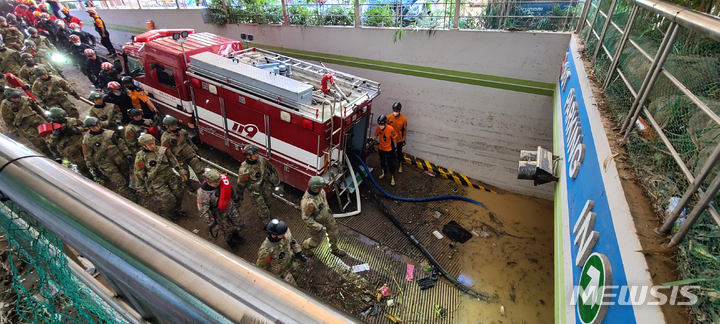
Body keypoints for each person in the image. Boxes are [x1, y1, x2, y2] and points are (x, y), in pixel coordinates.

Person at [134, 133, 188, 221]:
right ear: (144, 146)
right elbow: (138, 172)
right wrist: (141, 187)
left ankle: (177, 209)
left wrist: (181, 171)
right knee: (168, 198)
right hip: (156, 180)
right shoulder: (140, 157)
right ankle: (170, 212)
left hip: (169, 175)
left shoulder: (163, 150)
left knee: (179, 193)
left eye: (153, 143)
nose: (153, 145)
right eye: (150, 144)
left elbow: (173, 160)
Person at [82, 116, 134, 197]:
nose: (96, 128)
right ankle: (127, 196)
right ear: (89, 128)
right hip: (105, 163)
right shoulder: (87, 140)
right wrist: (92, 167)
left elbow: (120, 144)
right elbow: (87, 154)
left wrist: (127, 154)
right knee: (118, 180)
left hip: (118, 159)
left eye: (97, 125)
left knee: (125, 174)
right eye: (93, 127)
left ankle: (128, 188)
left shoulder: (110, 133)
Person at [196, 168, 246, 251]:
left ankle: (236, 235)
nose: (218, 184)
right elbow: (203, 211)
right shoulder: (203, 194)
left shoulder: (220, 182)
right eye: (215, 183)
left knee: (240, 223)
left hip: (229, 206)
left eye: (218, 182)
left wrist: (235, 198)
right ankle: (229, 241)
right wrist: (212, 224)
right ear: (209, 181)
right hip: (218, 213)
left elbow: (228, 189)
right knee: (227, 229)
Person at [300, 176, 346, 257]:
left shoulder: (321, 192)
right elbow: (306, 219)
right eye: (320, 187)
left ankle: (335, 250)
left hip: (327, 217)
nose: (322, 189)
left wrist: (327, 214)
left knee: (334, 233)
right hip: (316, 224)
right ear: (315, 189)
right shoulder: (307, 203)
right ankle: (305, 247)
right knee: (315, 242)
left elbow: (325, 203)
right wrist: (319, 227)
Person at [0, 87, 53, 156]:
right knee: (38, 142)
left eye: (18, 97)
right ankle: (50, 155)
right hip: (25, 126)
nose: (17, 99)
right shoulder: (5, 106)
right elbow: (7, 119)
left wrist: (46, 116)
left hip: (36, 120)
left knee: (50, 135)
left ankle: (58, 151)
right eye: (15, 98)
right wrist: (12, 130)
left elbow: (37, 108)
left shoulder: (26, 100)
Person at [43, 107, 92, 177]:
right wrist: (54, 136)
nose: (61, 120)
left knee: (92, 158)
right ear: (54, 119)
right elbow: (51, 144)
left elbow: (85, 126)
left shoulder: (72, 121)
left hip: (81, 143)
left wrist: (76, 129)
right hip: (70, 150)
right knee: (82, 165)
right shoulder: (50, 129)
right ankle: (89, 178)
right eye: (58, 119)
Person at [236, 144, 280, 223]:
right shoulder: (244, 170)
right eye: (254, 154)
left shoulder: (261, 160)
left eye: (257, 153)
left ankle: (264, 214)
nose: (257, 155)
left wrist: (273, 179)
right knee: (264, 210)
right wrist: (239, 196)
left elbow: (267, 168)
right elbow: (240, 184)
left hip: (265, 186)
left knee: (269, 203)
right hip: (255, 192)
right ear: (248, 156)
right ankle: (268, 224)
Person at [256, 219, 307, 286]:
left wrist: (298, 252)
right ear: (273, 235)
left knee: (296, 272)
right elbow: (262, 267)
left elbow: (292, 241)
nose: (285, 234)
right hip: (281, 273)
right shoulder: (266, 251)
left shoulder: (284, 232)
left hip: (290, 262)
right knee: (291, 288)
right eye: (282, 234)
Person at [373, 115, 397, 186]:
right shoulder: (378, 128)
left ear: (385, 123)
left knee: (390, 163)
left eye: (382, 124)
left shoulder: (390, 129)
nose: (380, 126)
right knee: (382, 162)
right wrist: (371, 139)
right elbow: (375, 135)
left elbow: (394, 138)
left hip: (389, 149)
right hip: (381, 148)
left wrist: (395, 147)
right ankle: (384, 172)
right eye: (379, 124)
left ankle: (392, 176)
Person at [386, 102, 407, 173]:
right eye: (394, 110)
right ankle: (392, 164)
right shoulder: (389, 117)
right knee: (390, 152)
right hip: (390, 139)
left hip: (399, 139)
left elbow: (404, 130)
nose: (395, 112)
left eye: (397, 111)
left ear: (400, 110)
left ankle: (400, 165)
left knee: (399, 153)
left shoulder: (403, 119)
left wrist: (404, 139)